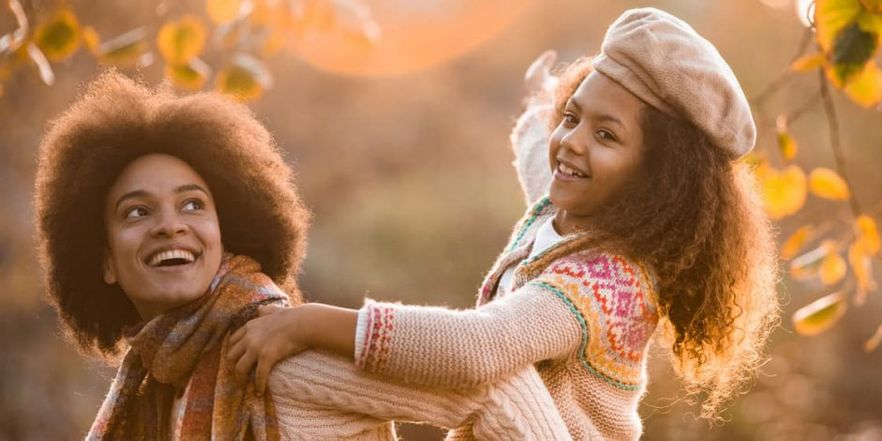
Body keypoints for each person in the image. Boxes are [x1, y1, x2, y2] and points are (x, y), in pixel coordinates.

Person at [229, 7, 781, 440]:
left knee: (495, 376)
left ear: (657, 178)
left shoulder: (611, 282)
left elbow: (480, 346)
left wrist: (311, 322)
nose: (573, 142)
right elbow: (539, 154)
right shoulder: (563, 209)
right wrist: (539, 102)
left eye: (607, 135)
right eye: (573, 115)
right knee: (295, 379)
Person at [34, 70, 570, 440]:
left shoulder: (285, 355)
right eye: (136, 212)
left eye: (193, 204)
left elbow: (501, 387)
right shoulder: (152, 389)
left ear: (228, 230)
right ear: (101, 260)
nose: (170, 224)